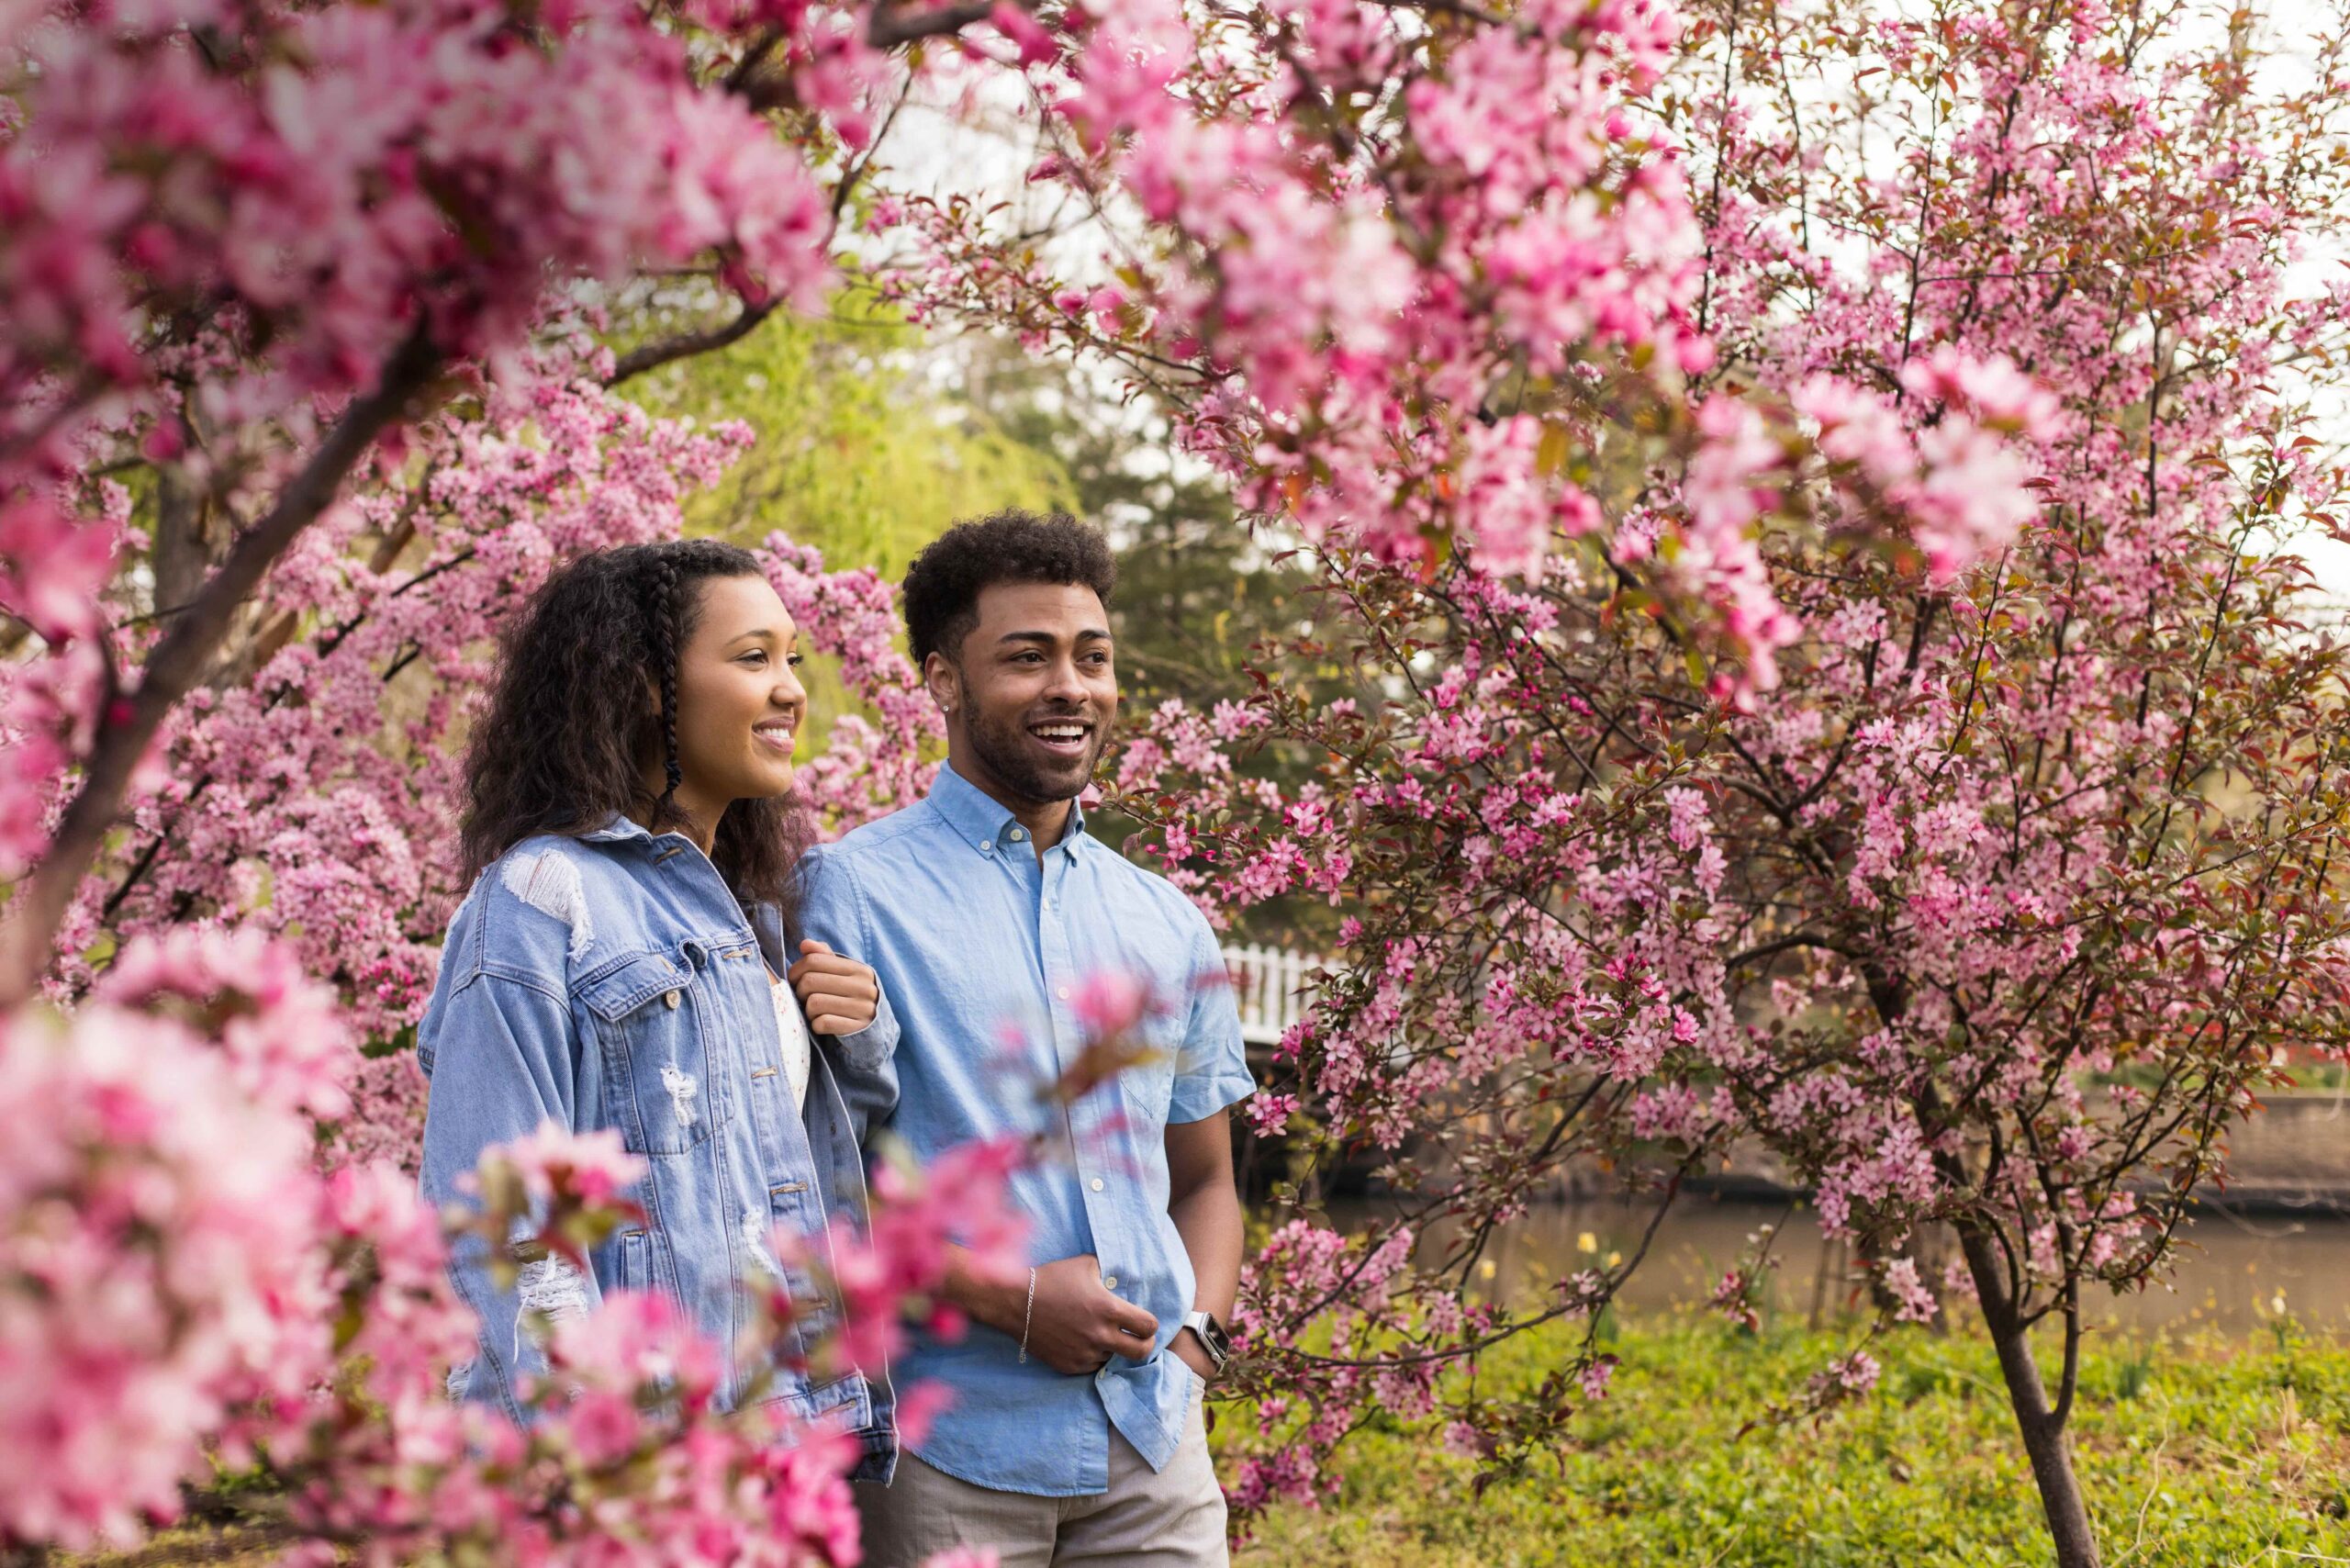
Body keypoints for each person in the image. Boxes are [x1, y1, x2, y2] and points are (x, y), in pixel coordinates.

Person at [801, 510, 1253, 1565]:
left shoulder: (1166, 919)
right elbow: (812, 1186)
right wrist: (1011, 1302)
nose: (1071, 686)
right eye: (1027, 656)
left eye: (1092, 657)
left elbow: (1206, 1181)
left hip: (1153, 1453)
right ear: (942, 681)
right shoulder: (848, 893)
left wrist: (1198, 1345)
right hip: (944, 1455)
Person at [417, 539, 901, 1479]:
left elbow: (789, 1186)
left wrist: (859, 1040)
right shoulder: (541, 898)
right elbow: (503, 1221)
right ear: (644, 686)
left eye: (792, 658)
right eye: (753, 657)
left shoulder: (755, 919)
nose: (793, 689)